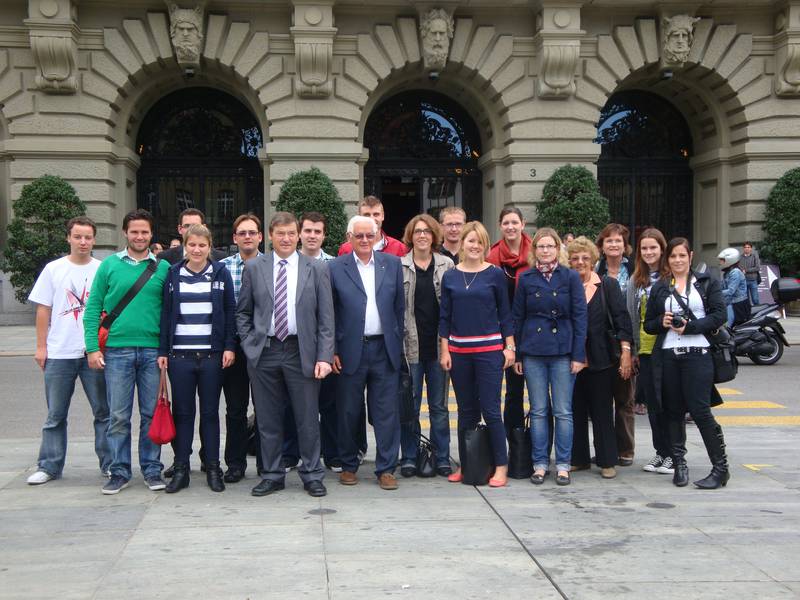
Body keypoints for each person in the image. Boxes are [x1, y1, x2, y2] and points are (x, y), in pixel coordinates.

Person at [236, 212, 334, 498]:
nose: (287, 239)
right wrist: (249, 342)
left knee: (306, 417)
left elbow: (326, 318)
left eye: (292, 233)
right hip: (264, 351)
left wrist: (325, 356)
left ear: (299, 234)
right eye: (281, 234)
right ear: (270, 235)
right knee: (267, 418)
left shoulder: (315, 268)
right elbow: (242, 312)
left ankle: (312, 474)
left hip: (300, 349)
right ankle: (272, 474)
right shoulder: (254, 267)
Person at [84, 209, 170, 495]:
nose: (140, 236)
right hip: (117, 351)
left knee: (149, 414)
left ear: (151, 234)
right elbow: (93, 308)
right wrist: (92, 348)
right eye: (134, 231)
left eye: (144, 231)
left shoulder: (162, 268)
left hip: (151, 351)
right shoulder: (109, 266)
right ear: (125, 233)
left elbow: (170, 312)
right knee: (118, 416)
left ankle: (152, 469)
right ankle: (119, 471)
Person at [26, 216, 111, 485]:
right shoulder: (53, 269)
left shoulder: (102, 269)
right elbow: (43, 309)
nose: (83, 242)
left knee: (103, 413)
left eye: (88, 237)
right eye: (78, 236)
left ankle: (110, 464)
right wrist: (41, 347)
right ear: (69, 238)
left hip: (93, 352)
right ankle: (49, 465)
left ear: (94, 239)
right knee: (55, 414)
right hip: (59, 352)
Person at [644, 238, 730, 489]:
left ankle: (720, 468)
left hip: (698, 354)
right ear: (667, 259)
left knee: (701, 410)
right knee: (672, 411)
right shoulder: (660, 287)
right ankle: (679, 465)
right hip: (669, 354)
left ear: (690, 256)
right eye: (673, 256)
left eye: (682, 255)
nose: (678, 260)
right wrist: (663, 320)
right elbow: (649, 325)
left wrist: (691, 327)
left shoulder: (705, 282)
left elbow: (719, 315)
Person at [157, 224, 236, 493]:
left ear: (209, 246)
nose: (197, 250)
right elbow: (166, 314)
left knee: (211, 413)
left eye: (202, 245)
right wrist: (162, 351)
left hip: (212, 356)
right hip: (180, 356)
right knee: (183, 413)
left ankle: (213, 467)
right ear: (184, 245)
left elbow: (229, 310)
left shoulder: (220, 272)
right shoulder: (173, 273)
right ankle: (181, 469)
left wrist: (228, 346)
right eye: (192, 245)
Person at [329, 215, 404, 490]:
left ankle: (386, 468)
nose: (363, 240)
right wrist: (333, 349)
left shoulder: (392, 264)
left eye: (368, 236)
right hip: (350, 349)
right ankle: (349, 465)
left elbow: (399, 308)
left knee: (386, 412)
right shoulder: (335, 267)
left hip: (384, 348)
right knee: (348, 411)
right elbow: (331, 311)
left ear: (376, 237)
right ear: (349, 238)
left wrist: (396, 342)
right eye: (358, 236)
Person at [440, 221, 514, 487]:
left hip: (489, 351)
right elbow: (445, 317)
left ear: (485, 245)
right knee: (465, 411)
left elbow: (506, 314)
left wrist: (510, 347)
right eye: (470, 241)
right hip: (459, 352)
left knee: (491, 410)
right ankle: (467, 464)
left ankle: (501, 466)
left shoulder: (494, 274)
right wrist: (444, 350)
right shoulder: (450, 275)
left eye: (480, 241)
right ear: (462, 243)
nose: (475, 246)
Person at [513, 227, 587, 486]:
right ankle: (540, 463)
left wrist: (579, 354)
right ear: (534, 251)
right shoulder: (525, 277)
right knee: (539, 410)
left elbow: (580, 317)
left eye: (550, 246)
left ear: (558, 249)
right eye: (541, 246)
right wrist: (519, 354)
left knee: (563, 411)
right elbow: (518, 317)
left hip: (563, 350)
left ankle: (564, 464)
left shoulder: (570, 277)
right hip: (533, 350)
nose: (545, 251)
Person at [567, 236, 633, 480]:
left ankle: (607, 460)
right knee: (574, 410)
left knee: (602, 410)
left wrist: (626, 353)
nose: (580, 262)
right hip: (571, 360)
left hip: (601, 358)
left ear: (594, 260)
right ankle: (579, 459)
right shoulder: (565, 286)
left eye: (585, 258)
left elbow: (622, 320)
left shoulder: (608, 285)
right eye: (575, 258)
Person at [283, 211, 340, 473]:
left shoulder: (335, 264)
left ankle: (331, 453)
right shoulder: (286, 263)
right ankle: (290, 453)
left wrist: (332, 351)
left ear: (324, 235)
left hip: (324, 348)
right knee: (291, 404)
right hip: (293, 346)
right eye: (308, 230)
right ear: (299, 233)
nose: (312, 235)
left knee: (328, 403)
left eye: (318, 231)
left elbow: (336, 311)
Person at [399, 214, 454, 478]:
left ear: (434, 235)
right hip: (410, 347)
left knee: (439, 407)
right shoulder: (399, 266)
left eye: (427, 231)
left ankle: (441, 456)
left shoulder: (447, 265)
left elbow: (453, 307)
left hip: (438, 346)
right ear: (411, 236)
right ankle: (409, 457)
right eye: (417, 231)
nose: (422, 235)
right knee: (409, 406)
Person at [219, 214, 264, 483]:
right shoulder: (222, 268)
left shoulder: (271, 266)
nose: (247, 237)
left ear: (260, 236)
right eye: (242, 233)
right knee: (235, 408)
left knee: (265, 408)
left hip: (262, 345)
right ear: (235, 238)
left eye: (252, 232)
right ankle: (234, 464)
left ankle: (265, 461)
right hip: (232, 346)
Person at [627, 229, 674, 476]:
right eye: (644, 248)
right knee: (652, 404)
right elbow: (631, 317)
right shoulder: (637, 280)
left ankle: (674, 453)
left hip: (668, 348)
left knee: (669, 403)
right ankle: (660, 452)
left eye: (653, 248)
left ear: (662, 249)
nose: (648, 252)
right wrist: (633, 349)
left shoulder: (671, 277)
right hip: (645, 350)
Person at [486, 206, 532, 434]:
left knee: (539, 395)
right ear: (500, 226)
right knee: (513, 392)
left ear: (523, 224)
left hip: (534, 331)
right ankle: (514, 447)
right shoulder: (492, 257)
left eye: (515, 222)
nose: (511, 227)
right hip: (504, 333)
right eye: (506, 223)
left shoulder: (536, 254)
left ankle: (539, 449)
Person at [595, 223, 636, 466]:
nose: (613, 245)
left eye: (618, 241)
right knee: (601, 401)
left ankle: (625, 449)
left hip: (626, 339)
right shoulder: (596, 269)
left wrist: (629, 348)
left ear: (624, 245)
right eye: (608, 241)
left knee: (624, 399)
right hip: (600, 343)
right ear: (602, 245)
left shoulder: (634, 270)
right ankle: (606, 448)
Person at [337, 196, 408, 257]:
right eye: (367, 215)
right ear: (359, 216)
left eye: (376, 214)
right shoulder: (346, 248)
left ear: (383, 216)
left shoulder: (399, 248)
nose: (371, 219)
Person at [157, 208, 228, 265]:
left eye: (195, 226)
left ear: (204, 228)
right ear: (180, 229)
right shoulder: (164, 258)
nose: (191, 230)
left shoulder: (221, 258)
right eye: (187, 226)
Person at [719, 248, 750, 327]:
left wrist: (716, 293)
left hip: (737, 304)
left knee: (727, 327)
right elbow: (721, 287)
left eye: (722, 260)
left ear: (729, 260)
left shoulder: (735, 272)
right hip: (730, 302)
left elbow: (730, 291)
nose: (720, 262)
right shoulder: (727, 273)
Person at [740, 242, 761, 306]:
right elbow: (738, 267)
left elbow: (757, 268)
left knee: (755, 299)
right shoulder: (740, 257)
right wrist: (741, 270)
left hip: (753, 280)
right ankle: (748, 314)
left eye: (748, 247)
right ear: (743, 248)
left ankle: (758, 313)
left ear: (751, 248)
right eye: (745, 247)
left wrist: (746, 270)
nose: (747, 248)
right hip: (743, 281)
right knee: (746, 300)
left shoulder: (755, 256)